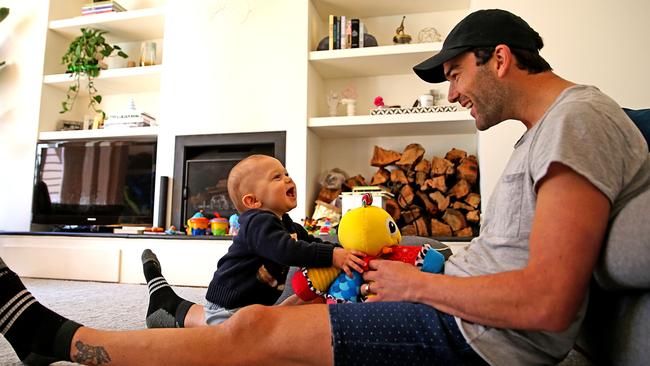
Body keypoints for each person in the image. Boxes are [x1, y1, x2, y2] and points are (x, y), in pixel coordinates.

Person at [1, 8, 648, 365]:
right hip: (459, 301)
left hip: (478, 338)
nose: (452, 93)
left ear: (499, 58)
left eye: (455, 74)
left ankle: (65, 343)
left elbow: (547, 305)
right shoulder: (551, 132)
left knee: (253, 332)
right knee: (277, 313)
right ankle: (166, 313)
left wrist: (414, 281)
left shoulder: (578, 119)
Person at [142, 154, 366, 328]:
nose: (288, 178)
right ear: (252, 201)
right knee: (243, 342)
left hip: (254, 306)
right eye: (276, 177)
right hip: (228, 307)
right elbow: (287, 251)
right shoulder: (256, 222)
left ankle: (167, 303)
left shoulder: (287, 224)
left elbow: (312, 242)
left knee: (293, 309)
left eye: (286, 173)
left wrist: (344, 252)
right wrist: (333, 256)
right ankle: (170, 307)